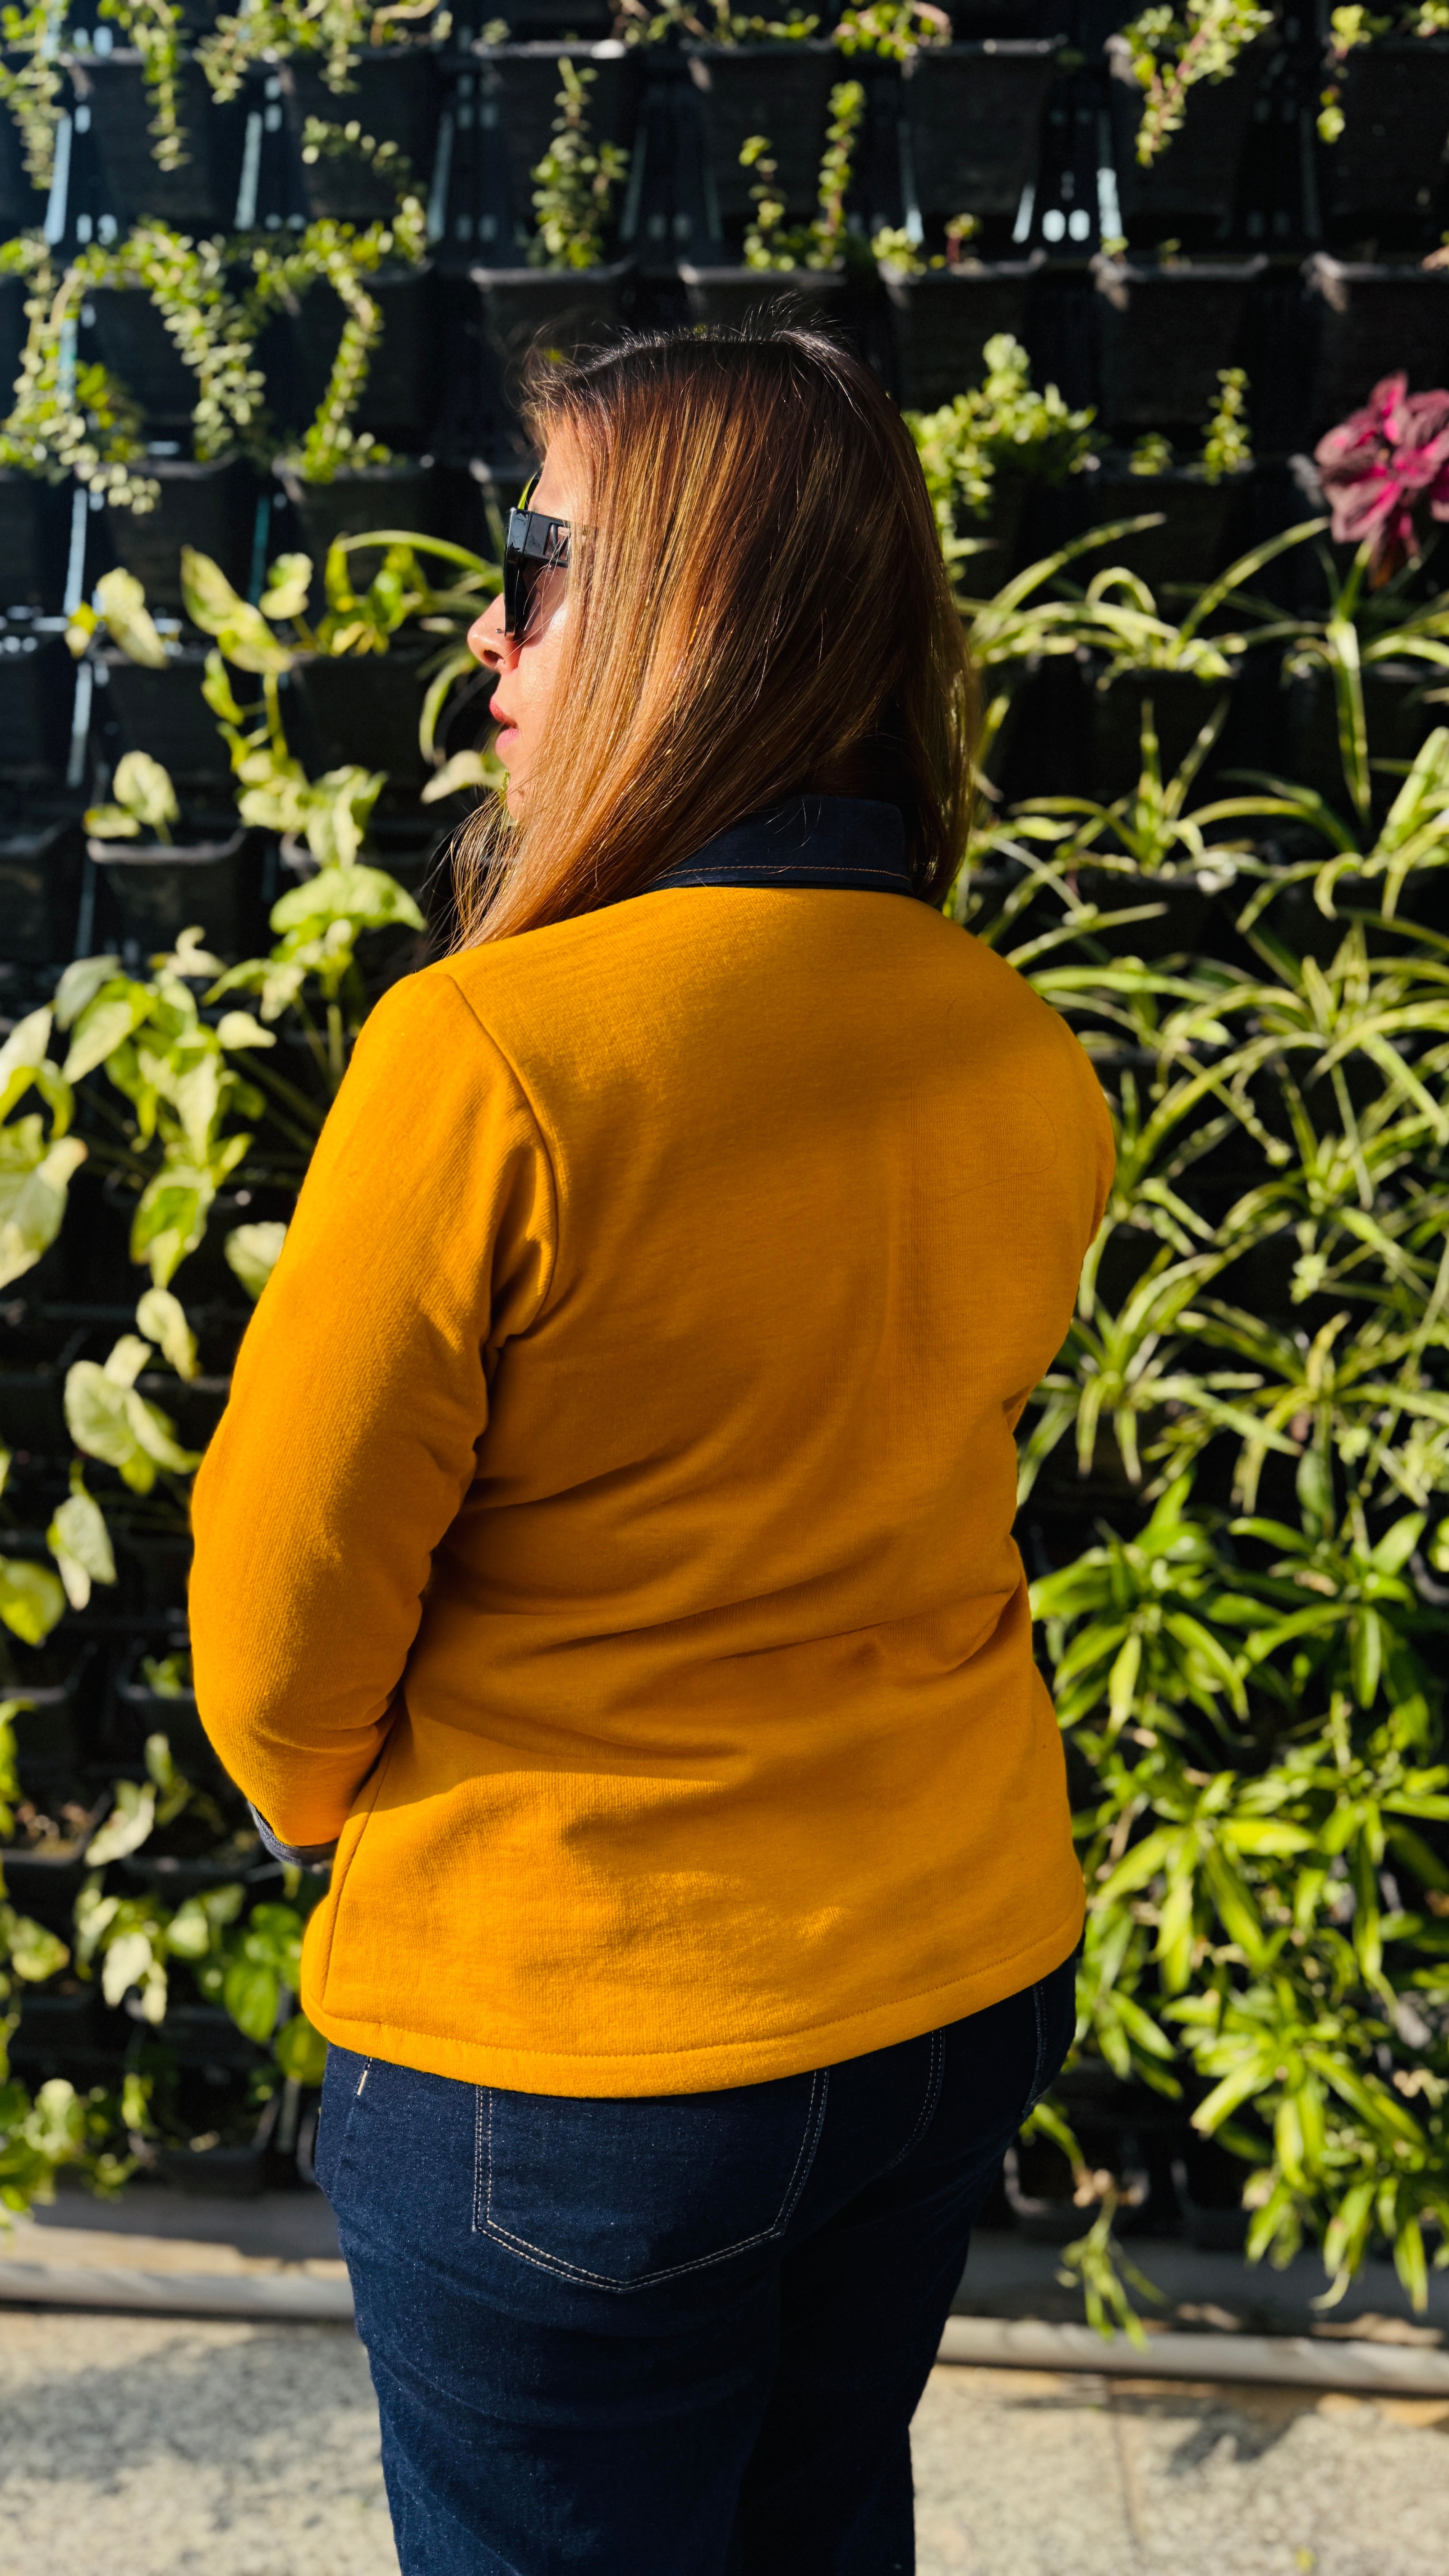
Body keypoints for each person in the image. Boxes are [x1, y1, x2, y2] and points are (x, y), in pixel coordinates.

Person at [190, 325, 1113, 2576]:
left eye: (536, 557)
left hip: (580, 2043)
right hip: (945, 1981)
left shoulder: (491, 1054)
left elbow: (287, 1597)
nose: (489, 627)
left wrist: (328, 1809)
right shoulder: (1009, 1039)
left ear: (697, 614)